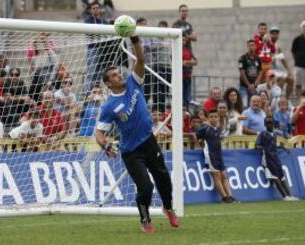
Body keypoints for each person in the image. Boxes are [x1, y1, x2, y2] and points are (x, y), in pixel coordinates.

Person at [95, 35, 179, 233]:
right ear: (108, 84)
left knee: (164, 180)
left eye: (119, 72)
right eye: (114, 75)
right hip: (131, 152)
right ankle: (145, 220)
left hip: (149, 142)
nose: (119, 75)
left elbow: (141, 60)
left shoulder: (134, 82)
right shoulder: (109, 107)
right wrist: (105, 145)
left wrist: (135, 41)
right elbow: (99, 133)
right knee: (146, 187)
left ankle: (168, 208)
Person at [194, 109, 236, 203]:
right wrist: (198, 146)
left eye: (215, 117)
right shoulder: (205, 128)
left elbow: (218, 138)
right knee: (216, 176)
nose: (214, 119)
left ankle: (230, 196)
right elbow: (195, 135)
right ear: (208, 118)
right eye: (211, 117)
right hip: (210, 155)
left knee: (224, 175)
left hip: (219, 154)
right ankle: (224, 197)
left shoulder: (217, 129)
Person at [255, 116, 298, 201]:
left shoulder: (274, 134)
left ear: (273, 123)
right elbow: (256, 146)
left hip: (275, 158)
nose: (269, 124)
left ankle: (290, 195)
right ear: (264, 124)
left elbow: (273, 145)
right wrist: (263, 148)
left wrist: (281, 147)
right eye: (267, 123)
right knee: (275, 177)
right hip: (267, 159)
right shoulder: (262, 134)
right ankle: (285, 197)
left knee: (282, 176)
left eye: (270, 122)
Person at [84, 1, 108, 95]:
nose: (95, 10)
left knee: (99, 74)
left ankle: (96, 93)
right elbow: (90, 33)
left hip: (103, 50)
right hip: (93, 49)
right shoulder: (88, 21)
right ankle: (86, 94)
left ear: (100, 9)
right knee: (91, 72)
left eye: (97, 8)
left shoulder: (104, 22)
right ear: (90, 10)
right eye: (93, 8)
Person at [269, 26, 294, 100]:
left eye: (276, 33)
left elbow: (283, 59)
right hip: (269, 69)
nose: (275, 35)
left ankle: (287, 100)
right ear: (270, 34)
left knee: (291, 79)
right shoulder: (267, 45)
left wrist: (289, 71)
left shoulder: (278, 47)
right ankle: (277, 98)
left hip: (277, 69)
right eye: (273, 33)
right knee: (282, 78)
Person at [238, 39, 262, 106]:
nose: (251, 47)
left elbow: (260, 72)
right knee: (245, 105)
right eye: (250, 45)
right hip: (244, 86)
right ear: (247, 46)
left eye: (253, 45)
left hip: (254, 87)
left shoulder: (258, 59)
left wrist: (254, 84)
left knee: (254, 105)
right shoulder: (242, 58)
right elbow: (242, 73)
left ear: (255, 46)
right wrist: (249, 85)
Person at [182, 37, 197, 108]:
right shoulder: (176, 49)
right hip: (180, 76)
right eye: (182, 40)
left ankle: (186, 111)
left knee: (187, 97)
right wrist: (188, 62)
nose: (183, 42)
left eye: (184, 40)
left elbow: (195, 61)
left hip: (187, 75)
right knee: (180, 96)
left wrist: (186, 62)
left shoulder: (188, 50)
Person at [291, 20, 305, 98]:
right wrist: (297, 60)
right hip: (299, 65)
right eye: (304, 27)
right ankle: (298, 99)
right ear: (301, 28)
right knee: (298, 84)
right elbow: (293, 51)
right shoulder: (297, 39)